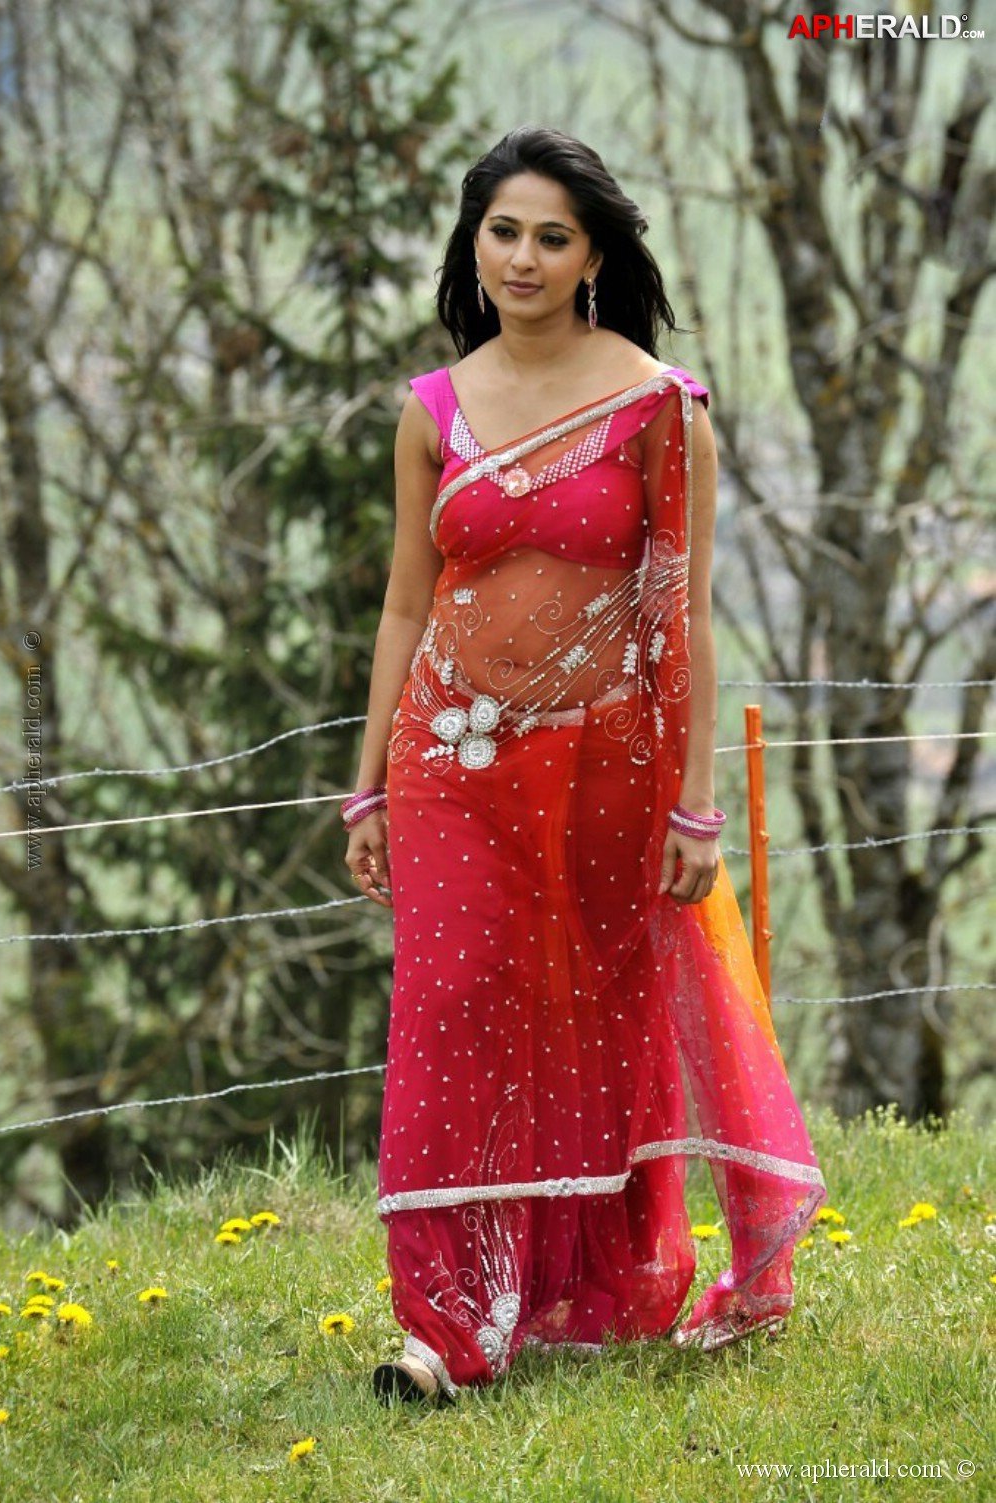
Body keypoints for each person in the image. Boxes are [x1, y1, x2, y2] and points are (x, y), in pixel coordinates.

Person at [342, 125, 827, 1408]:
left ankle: (579, 1292)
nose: (523, 256)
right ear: (474, 241)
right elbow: (403, 605)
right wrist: (370, 781)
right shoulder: (430, 410)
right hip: (449, 757)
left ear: (595, 255)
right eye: (503, 229)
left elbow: (682, 616)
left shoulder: (656, 409)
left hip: (606, 769)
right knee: (451, 1014)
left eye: (553, 235)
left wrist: (698, 805)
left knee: (591, 1020)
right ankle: (442, 1329)